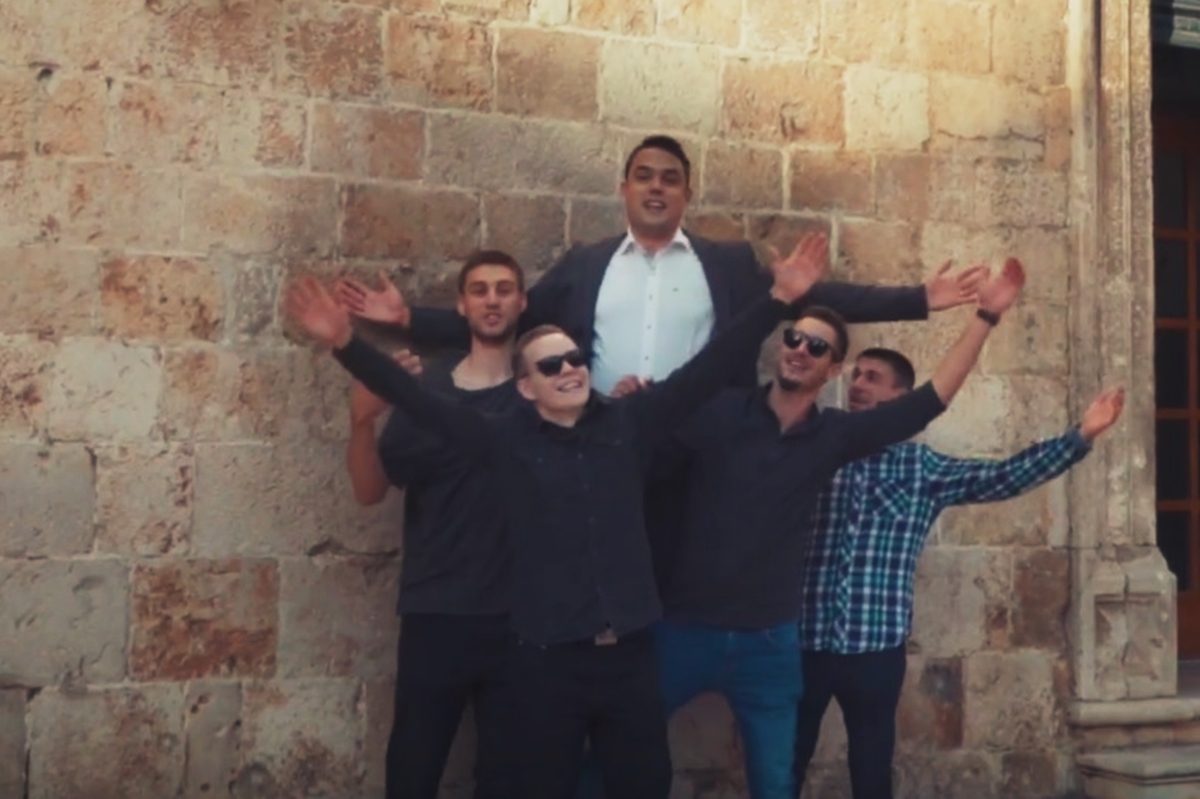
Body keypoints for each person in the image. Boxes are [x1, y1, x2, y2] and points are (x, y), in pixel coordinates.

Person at [285, 233, 831, 799]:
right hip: (547, 663)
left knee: (644, 782)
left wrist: (778, 301)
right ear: (526, 387)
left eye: (574, 358)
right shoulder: (505, 443)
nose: (568, 368)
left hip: (630, 656)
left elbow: (708, 370)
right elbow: (419, 400)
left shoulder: (630, 424)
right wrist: (346, 342)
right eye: (550, 365)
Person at [335, 134, 985, 584]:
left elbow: (813, 296)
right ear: (624, 188)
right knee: (592, 566)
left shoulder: (726, 264)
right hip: (602, 441)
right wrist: (409, 318)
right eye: (644, 176)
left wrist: (920, 299)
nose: (656, 186)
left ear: (686, 194)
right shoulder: (586, 264)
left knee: (682, 571)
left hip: (699, 445)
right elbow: (509, 318)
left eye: (670, 179)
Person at [644, 258, 1029, 799]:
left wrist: (984, 318)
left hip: (768, 644)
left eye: (817, 346)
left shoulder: (832, 437)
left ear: (831, 371)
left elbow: (930, 401)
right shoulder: (721, 413)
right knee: (625, 750)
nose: (801, 349)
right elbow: (672, 407)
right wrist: (777, 299)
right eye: (794, 338)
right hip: (686, 629)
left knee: (776, 783)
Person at [793, 345, 1126, 799]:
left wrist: (1080, 436)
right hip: (804, 641)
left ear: (901, 397)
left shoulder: (920, 468)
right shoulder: (817, 452)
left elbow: (1003, 477)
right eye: (855, 375)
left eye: (872, 377)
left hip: (874, 646)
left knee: (871, 770)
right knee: (784, 762)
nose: (857, 385)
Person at [346, 251, 527, 799]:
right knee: (413, 769)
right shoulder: (426, 393)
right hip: (437, 613)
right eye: (479, 290)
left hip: (522, 623)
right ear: (461, 306)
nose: (492, 300)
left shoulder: (544, 390)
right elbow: (370, 491)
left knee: (509, 780)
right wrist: (360, 422)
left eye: (503, 289)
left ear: (523, 302)